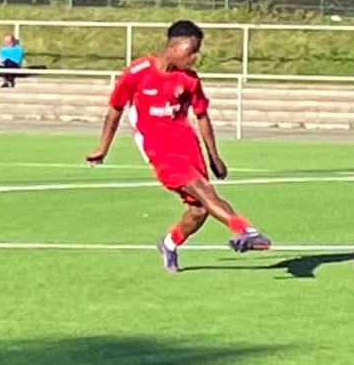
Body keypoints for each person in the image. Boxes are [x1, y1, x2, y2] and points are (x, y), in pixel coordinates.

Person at [86, 19, 271, 271]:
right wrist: (103, 148)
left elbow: (202, 115)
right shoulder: (139, 71)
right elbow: (115, 110)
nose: (195, 57)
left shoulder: (190, 80)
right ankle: (246, 230)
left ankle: (169, 243)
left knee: (200, 210)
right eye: (191, 51)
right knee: (202, 190)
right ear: (174, 46)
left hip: (187, 145)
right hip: (159, 148)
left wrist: (214, 156)